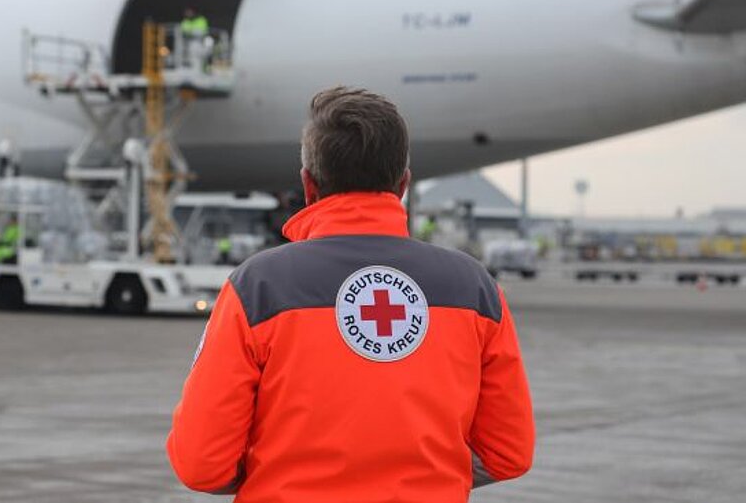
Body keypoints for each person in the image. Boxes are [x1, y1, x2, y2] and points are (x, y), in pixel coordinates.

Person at [167, 87, 534, 502]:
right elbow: (508, 452)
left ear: (309, 185)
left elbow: (201, 464)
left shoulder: (257, 287)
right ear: (403, 184)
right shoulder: (474, 288)